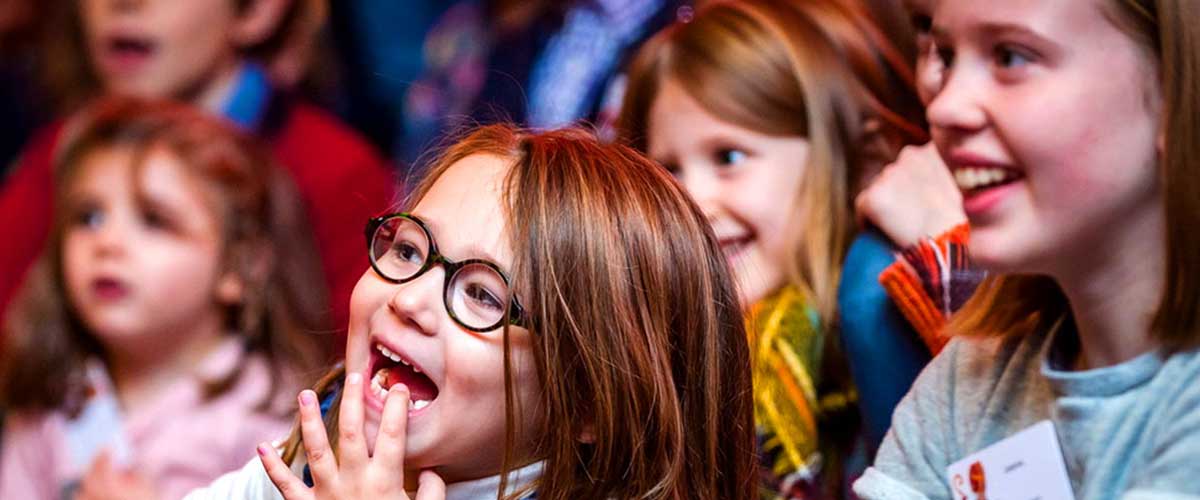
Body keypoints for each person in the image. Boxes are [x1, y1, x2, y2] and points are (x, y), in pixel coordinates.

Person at [185, 124, 758, 500]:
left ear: (587, 399)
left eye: (483, 295)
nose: (408, 300)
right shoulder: (316, 455)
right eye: (407, 251)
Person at [854, 0, 1200, 497]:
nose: (943, 105)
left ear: (1174, 92)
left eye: (1011, 57)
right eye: (946, 56)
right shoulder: (975, 373)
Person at [617, 0, 926, 495]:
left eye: (729, 157)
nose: (692, 202)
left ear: (845, 161)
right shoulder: (650, 371)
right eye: (667, 170)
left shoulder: (881, 327)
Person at [0, 0, 396, 337]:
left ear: (258, 10)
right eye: (89, 216)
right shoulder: (56, 154)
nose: (123, 2)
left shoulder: (335, 173)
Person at [0, 98, 329, 500]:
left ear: (237, 268)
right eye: (89, 217)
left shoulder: (267, 417)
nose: (107, 243)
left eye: (154, 220)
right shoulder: (51, 397)